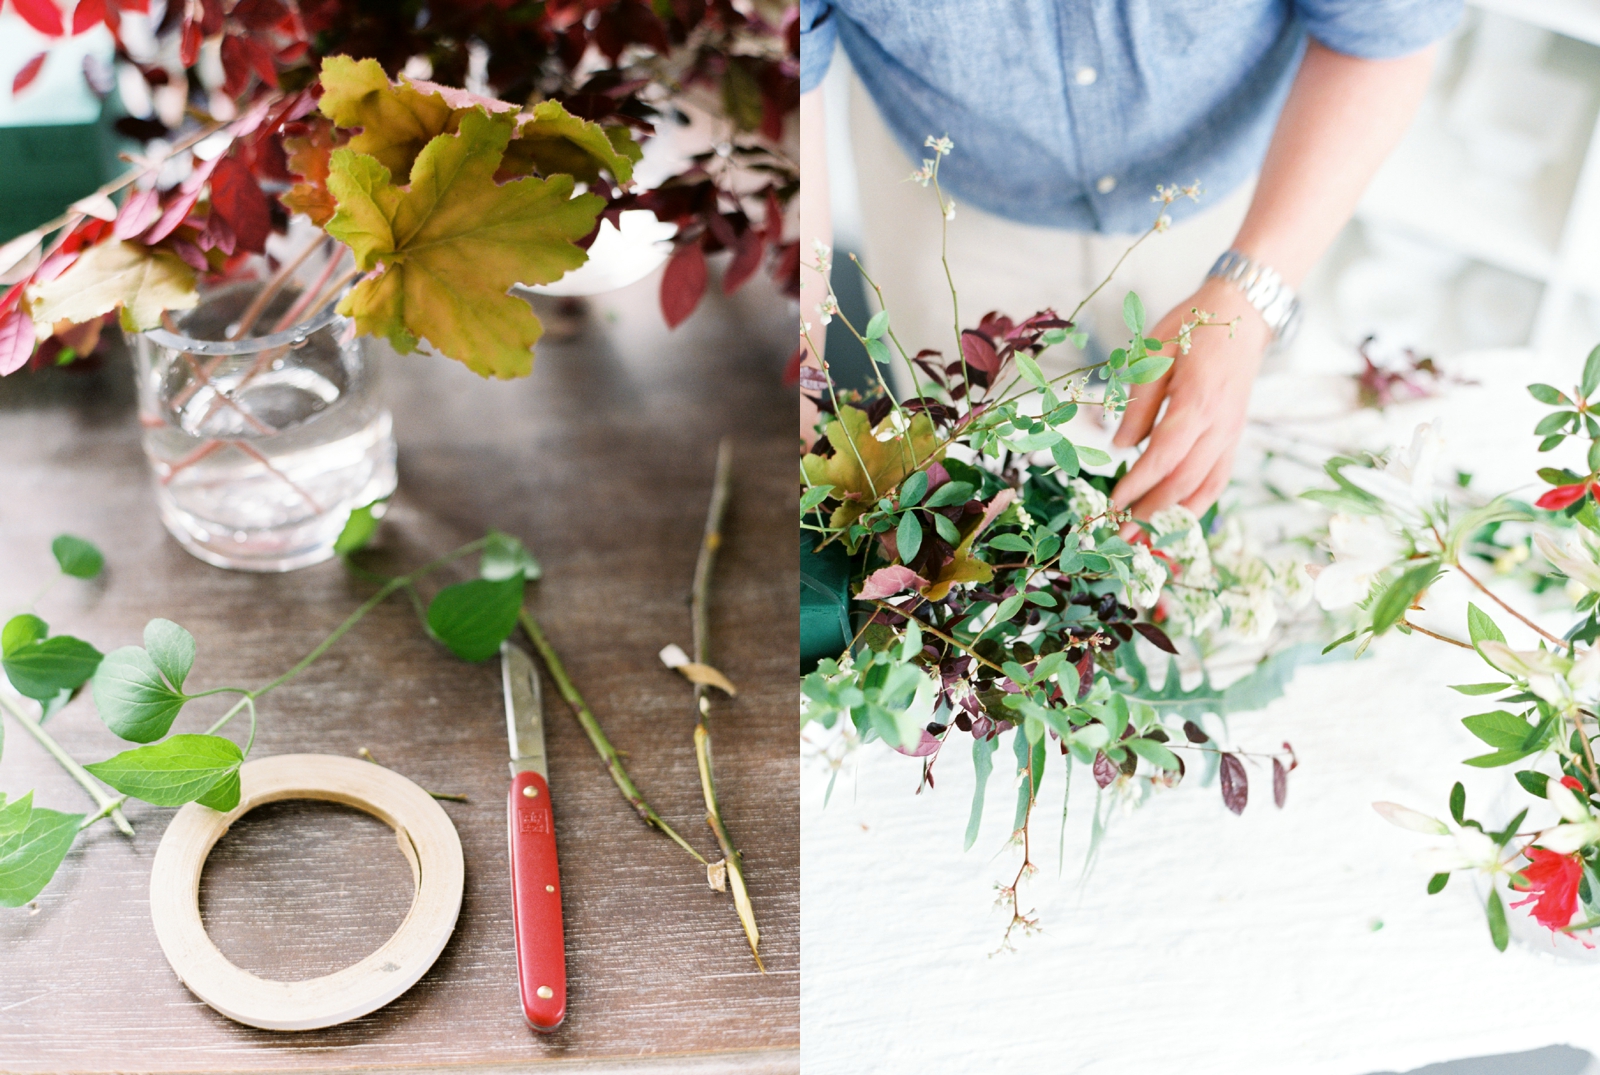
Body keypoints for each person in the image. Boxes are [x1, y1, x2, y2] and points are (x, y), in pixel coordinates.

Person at [799, 0, 1459, 519]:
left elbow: (1387, 32)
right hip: (950, 210)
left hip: (1236, 206)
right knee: (973, 507)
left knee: (1214, 492)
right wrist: (802, 437)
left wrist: (1254, 290)